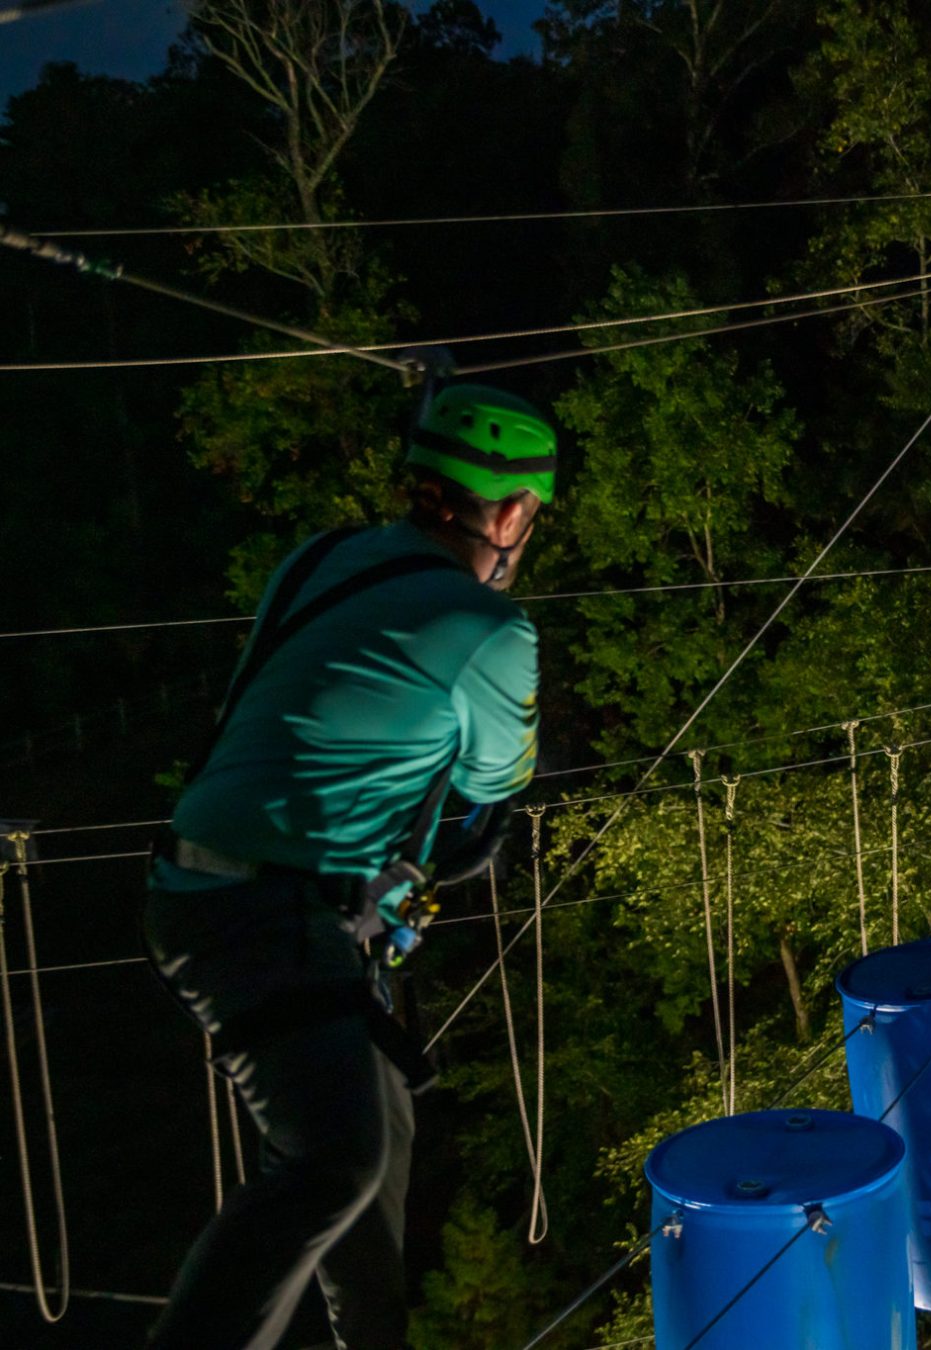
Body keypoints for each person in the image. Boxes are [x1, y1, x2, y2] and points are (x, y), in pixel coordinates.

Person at [141, 383, 557, 1350]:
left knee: (377, 1142)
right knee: (334, 1163)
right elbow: (493, 782)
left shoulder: (320, 558)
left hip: (218, 889)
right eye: (531, 515)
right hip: (264, 912)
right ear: (505, 512)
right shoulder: (490, 629)